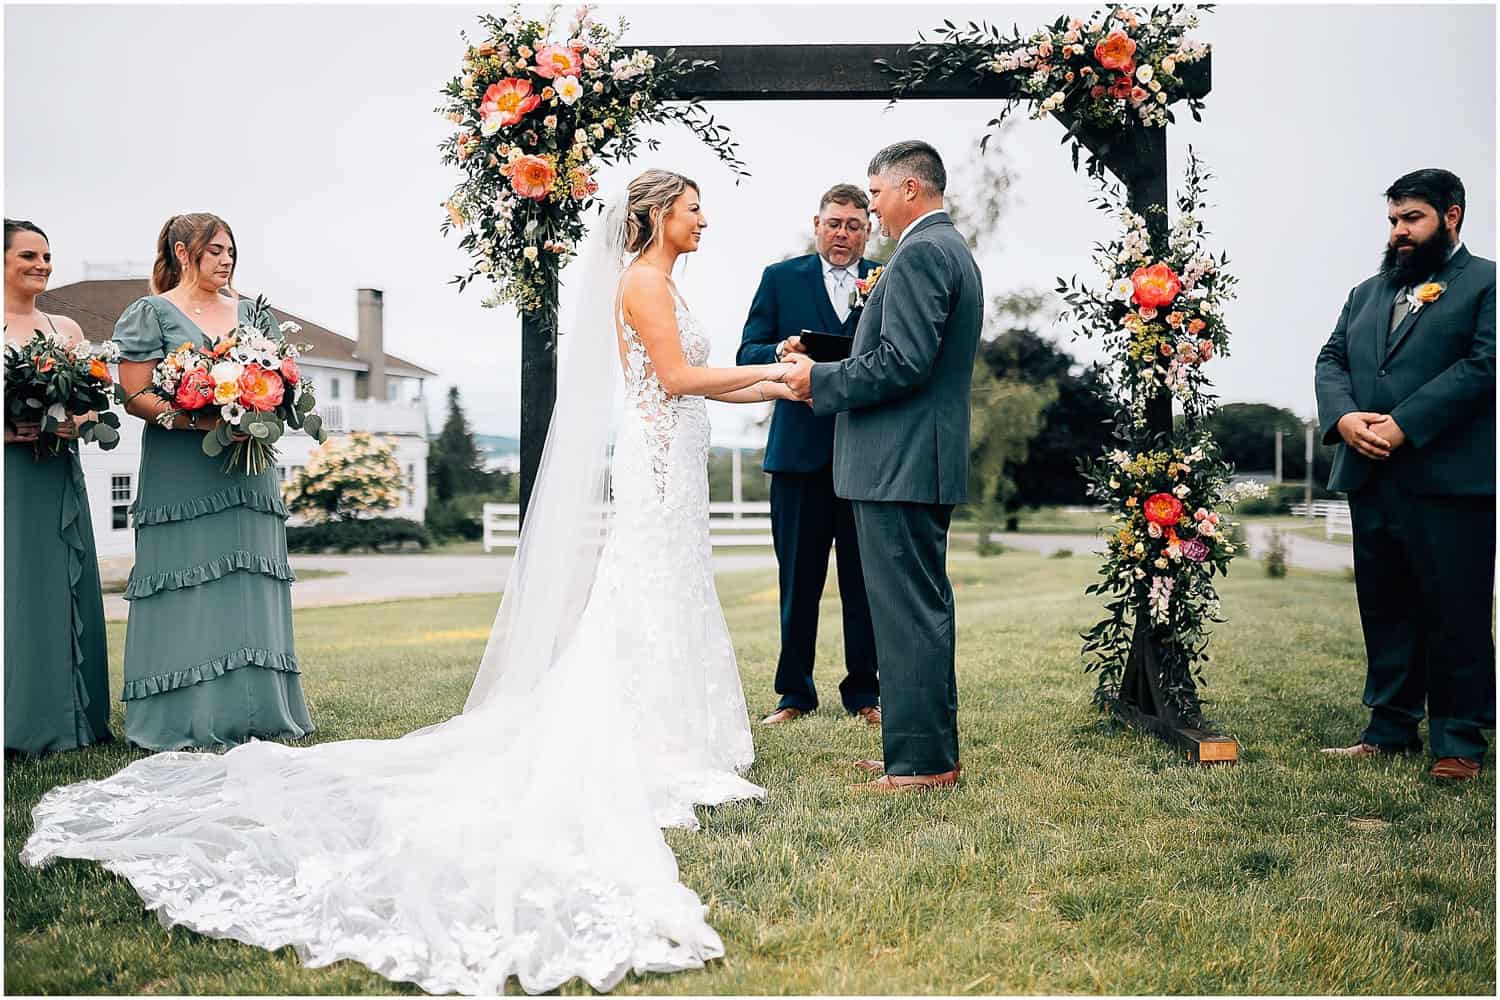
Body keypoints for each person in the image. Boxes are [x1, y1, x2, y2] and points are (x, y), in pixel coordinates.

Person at [24, 172, 797, 994]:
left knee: (665, 588)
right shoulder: (643, 281)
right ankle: (649, 731)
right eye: (693, 209)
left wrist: (768, 380)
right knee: (644, 590)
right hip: (660, 454)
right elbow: (673, 380)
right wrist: (782, 383)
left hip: (675, 454)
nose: (705, 220)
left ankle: (674, 726)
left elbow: (683, 380)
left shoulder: (661, 281)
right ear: (653, 218)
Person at [784, 140, 985, 793]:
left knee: (909, 614)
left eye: (875, 195)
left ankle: (924, 763)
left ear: (908, 190)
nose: (870, 208)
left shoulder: (924, 253)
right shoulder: (943, 249)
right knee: (912, 612)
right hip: (907, 462)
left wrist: (821, 378)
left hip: (901, 464)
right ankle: (916, 749)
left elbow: (903, 361)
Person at [1314, 168, 1495, 780]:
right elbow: (1331, 357)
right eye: (1393, 220)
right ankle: (1389, 730)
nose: (1399, 232)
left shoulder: (1487, 284)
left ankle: (1459, 742)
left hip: (1451, 481)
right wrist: (1342, 420)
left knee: (1455, 611)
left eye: (1411, 218)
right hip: (1372, 479)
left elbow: (1483, 366)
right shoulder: (1366, 292)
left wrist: (1402, 424)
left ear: (1452, 216)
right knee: (1386, 607)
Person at [110, 212, 314, 750]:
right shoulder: (150, 312)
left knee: (248, 580)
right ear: (183, 252)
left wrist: (259, 404)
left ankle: (257, 710)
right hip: (183, 469)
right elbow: (134, 396)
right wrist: (194, 416)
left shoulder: (254, 315)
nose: (226, 261)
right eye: (216, 251)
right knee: (185, 580)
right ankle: (183, 713)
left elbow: (282, 379)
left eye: (231, 252)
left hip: (249, 469)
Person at [737, 183, 882, 728]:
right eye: (833, 223)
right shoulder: (781, 279)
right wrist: (781, 350)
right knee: (797, 581)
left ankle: (865, 694)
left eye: (853, 225)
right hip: (797, 456)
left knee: (862, 583)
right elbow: (746, 352)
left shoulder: (885, 279)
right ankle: (794, 695)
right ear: (815, 224)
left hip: (864, 454)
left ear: (867, 229)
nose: (842, 234)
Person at [3, 219, 113, 754]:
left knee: (59, 591)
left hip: (55, 475)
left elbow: (94, 406)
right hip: (9, 479)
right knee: (15, 593)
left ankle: (72, 719)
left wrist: (79, 422)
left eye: (46, 256)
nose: (42, 265)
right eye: (28, 255)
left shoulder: (64, 330)